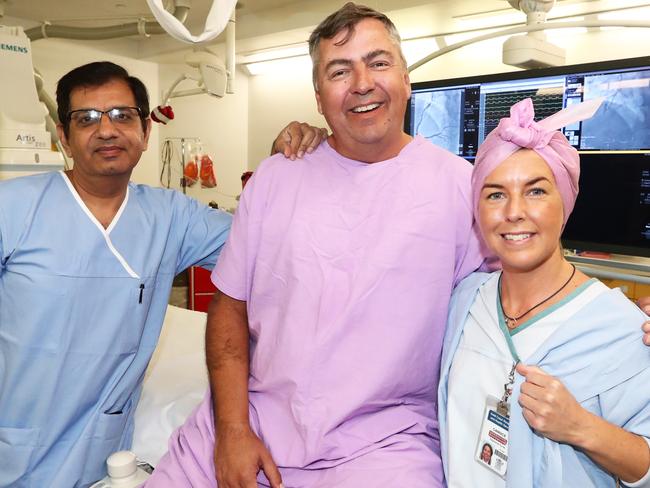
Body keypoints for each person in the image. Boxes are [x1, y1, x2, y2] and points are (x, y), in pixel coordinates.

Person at [146, 3, 486, 487]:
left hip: (387, 443)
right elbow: (229, 306)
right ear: (319, 97)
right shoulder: (276, 178)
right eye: (339, 71)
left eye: (379, 62)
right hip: (257, 419)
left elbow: (517, 298)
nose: (362, 82)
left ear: (406, 78)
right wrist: (233, 430)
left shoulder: (461, 188)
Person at [0, 61, 232, 487]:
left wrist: (297, 162)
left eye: (122, 116)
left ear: (145, 131)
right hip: (14, 441)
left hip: (102, 452)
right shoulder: (11, 207)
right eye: (86, 118)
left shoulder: (171, 218)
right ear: (63, 137)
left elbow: (269, 247)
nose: (106, 130)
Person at [438, 98, 650, 487]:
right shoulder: (465, 301)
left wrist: (581, 427)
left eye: (535, 191)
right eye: (495, 194)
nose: (514, 211)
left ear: (564, 202)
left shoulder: (624, 329)